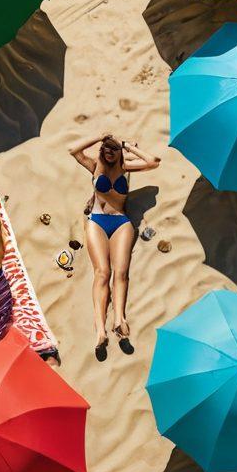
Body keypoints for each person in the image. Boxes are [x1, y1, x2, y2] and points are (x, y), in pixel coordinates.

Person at [70, 132, 160, 360]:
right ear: (101, 150)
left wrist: (127, 146)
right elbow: (73, 150)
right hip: (97, 221)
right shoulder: (94, 166)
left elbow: (153, 162)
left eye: (113, 149)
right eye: (106, 149)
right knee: (102, 273)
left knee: (121, 274)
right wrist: (99, 136)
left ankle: (119, 320)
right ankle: (100, 331)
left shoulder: (125, 167)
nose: (109, 153)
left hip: (121, 222)